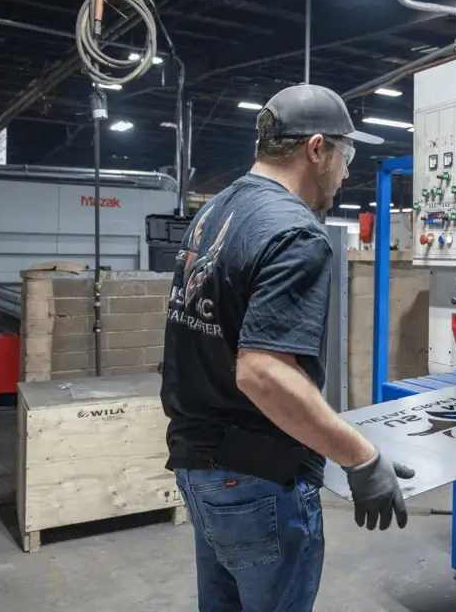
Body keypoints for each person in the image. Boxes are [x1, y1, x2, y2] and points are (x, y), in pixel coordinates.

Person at [160, 84, 412, 612]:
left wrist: (342, 437)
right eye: (346, 156)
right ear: (316, 149)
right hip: (257, 480)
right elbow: (262, 373)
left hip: (197, 465)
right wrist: (360, 458)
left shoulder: (218, 211)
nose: (346, 173)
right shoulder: (296, 233)